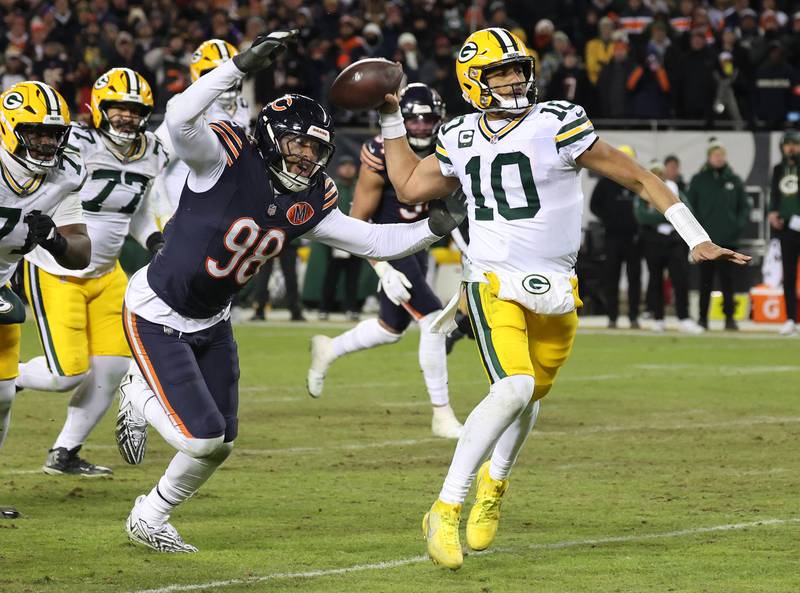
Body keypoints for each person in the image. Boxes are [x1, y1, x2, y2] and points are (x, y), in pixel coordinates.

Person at [375, 27, 750, 569]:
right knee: (514, 386)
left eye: (517, 68)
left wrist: (697, 237)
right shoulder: (456, 134)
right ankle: (444, 507)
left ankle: (493, 483)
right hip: (491, 279)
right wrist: (390, 118)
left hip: (555, 285)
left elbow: (642, 179)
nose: (514, 79)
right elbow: (409, 187)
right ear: (472, 83)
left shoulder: (557, 122)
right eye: (499, 72)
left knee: (531, 396)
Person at [113, 30, 464, 553]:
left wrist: (433, 228)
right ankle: (137, 393)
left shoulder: (312, 197)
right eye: (297, 144)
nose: (305, 157)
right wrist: (240, 65)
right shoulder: (223, 156)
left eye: (315, 149)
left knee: (221, 444)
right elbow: (179, 119)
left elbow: (371, 237)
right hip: (157, 310)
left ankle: (150, 514)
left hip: (212, 320)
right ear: (272, 136)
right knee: (201, 436)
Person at [15, 69, 166, 476]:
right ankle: (9, 378)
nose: (126, 117)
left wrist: (152, 239)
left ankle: (65, 451)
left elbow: (134, 211)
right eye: (118, 108)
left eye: (134, 110)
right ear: (98, 108)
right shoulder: (73, 143)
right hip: (55, 268)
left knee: (114, 367)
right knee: (68, 373)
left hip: (107, 272)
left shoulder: (153, 151)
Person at [307, 83, 464, 439]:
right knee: (434, 322)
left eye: (429, 119)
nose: (422, 126)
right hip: (388, 244)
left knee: (389, 329)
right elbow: (358, 221)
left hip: (419, 243)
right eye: (414, 119)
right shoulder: (381, 151)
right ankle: (442, 413)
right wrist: (382, 265)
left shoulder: (449, 148)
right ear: (401, 120)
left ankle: (328, 349)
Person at [0, 81, 91, 517]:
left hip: (0, 285)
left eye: (54, 134)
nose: (47, 142)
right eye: (36, 132)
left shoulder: (67, 176)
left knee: (2, 397)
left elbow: (81, 253)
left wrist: (53, 240)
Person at [154, 39, 250, 222]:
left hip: (219, 214)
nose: (225, 80)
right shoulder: (186, 108)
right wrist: (165, 213)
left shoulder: (241, 106)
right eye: (213, 73)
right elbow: (153, 162)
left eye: (227, 72)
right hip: (183, 212)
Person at [687, 139, 751, 331]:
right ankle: (702, 319)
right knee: (704, 281)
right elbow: (690, 207)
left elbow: (744, 208)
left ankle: (729, 318)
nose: (719, 158)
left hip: (728, 240)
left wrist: (735, 226)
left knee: (728, 282)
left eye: (722, 155)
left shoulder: (734, 180)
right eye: (716, 155)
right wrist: (696, 234)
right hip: (705, 241)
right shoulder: (699, 180)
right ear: (709, 157)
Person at [636, 161, 704, 334]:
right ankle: (658, 318)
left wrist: (659, 213)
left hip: (674, 241)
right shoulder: (642, 189)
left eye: (659, 172)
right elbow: (642, 216)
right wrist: (668, 215)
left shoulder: (672, 188)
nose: (657, 175)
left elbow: (686, 210)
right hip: (653, 241)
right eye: (654, 172)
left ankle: (684, 317)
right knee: (655, 280)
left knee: (680, 280)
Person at [589, 144, 641, 329]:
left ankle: (634, 316)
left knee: (634, 278)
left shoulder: (637, 182)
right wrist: (609, 219)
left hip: (634, 238)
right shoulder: (606, 182)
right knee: (612, 277)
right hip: (613, 237)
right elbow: (594, 205)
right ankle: (612, 316)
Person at [319, 155, 362, 321]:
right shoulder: (332, 185)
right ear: (338, 168)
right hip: (336, 237)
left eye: (351, 165)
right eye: (345, 166)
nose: (348, 169)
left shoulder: (360, 186)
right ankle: (324, 308)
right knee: (331, 276)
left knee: (353, 276)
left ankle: (351, 308)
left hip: (357, 236)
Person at [767, 130, 800, 336]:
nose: (791, 148)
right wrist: (772, 212)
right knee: (788, 275)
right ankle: (790, 318)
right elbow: (774, 193)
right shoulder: (779, 169)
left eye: (794, 144)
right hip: (788, 227)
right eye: (787, 144)